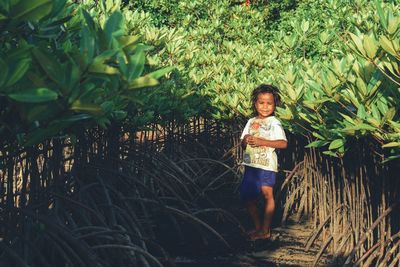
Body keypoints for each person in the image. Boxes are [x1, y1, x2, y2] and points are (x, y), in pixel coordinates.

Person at [240, 84, 287, 241]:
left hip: (267, 165)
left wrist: (261, 141)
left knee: (267, 194)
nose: (265, 107)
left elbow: (283, 143)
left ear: (275, 105)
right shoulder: (251, 121)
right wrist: (246, 140)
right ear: (255, 104)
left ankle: (265, 230)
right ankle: (258, 227)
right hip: (250, 164)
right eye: (261, 103)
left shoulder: (275, 122)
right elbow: (242, 142)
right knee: (247, 198)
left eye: (269, 103)